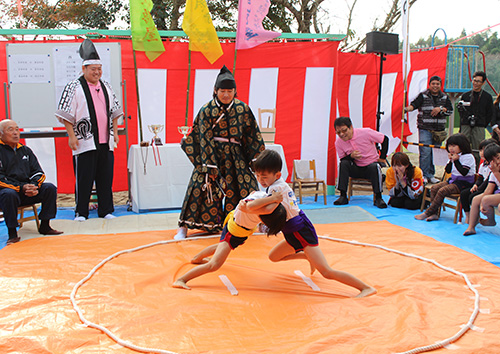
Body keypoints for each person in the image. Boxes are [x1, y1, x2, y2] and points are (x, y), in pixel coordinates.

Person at [251, 149, 376, 298]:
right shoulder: (276, 185)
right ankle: (306, 256)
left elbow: (268, 209)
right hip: (292, 230)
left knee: (326, 272)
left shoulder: (276, 188)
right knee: (273, 257)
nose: (260, 180)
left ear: (277, 175)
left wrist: (250, 207)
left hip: (300, 230)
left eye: (264, 176)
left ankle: (366, 287)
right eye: (257, 175)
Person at [175, 65, 265, 240]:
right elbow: (203, 137)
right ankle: (183, 228)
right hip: (212, 154)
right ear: (215, 91)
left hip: (236, 155)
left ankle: (260, 223)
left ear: (235, 91)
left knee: (249, 188)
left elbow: (252, 135)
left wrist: (257, 161)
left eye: (229, 91)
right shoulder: (206, 110)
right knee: (199, 186)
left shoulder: (243, 109)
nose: (226, 94)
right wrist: (209, 165)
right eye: (222, 91)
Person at [55, 39, 123, 221]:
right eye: (93, 69)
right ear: (84, 69)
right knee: (84, 178)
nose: (97, 72)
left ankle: (106, 210)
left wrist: (115, 133)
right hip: (84, 140)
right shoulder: (73, 87)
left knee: (105, 177)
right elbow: (65, 114)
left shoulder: (106, 86)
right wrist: (71, 137)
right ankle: (81, 212)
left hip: (105, 139)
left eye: (99, 69)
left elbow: (115, 111)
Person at [172, 190, 287, 290]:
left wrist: (274, 199)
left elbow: (258, 199)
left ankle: (196, 258)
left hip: (238, 230)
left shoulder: (262, 197)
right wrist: (273, 198)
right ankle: (182, 279)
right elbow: (252, 207)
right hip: (233, 232)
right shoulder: (251, 207)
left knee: (222, 247)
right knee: (214, 265)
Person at [0, 120, 63, 245]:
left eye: (17, 129)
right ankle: (12, 233)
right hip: (10, 193)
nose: (15, 133)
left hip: (28, 191)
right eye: (10, 129)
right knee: (8, 194)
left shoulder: (25, 150)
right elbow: (1, 179)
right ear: (1, 134)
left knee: (49, 188)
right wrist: (21, 187)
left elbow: (38, 172)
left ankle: (45, 225)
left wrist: (33, 186)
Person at [415, 134, 476, 222]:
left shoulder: (468, 157)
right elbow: (448, 171)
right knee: (434, 188)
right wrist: (451, 161)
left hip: (464, 183)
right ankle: (434, 213)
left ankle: (428, 212)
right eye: (450, 145)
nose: (451, 148)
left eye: (454, 146)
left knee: (442, 191)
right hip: (453, 180)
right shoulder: (453, 155)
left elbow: (464, 172)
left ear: (462, 145)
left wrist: (456, 161)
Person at [404, 75, 453, 184]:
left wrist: (440, 109)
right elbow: (414, 105)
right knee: (425, 152)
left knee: (435, 153)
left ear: (440, 85)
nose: (435, 86)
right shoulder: (423, 96)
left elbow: (450, 111)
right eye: (433, 84)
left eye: (437, 84)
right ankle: (424, 175)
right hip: (425, 129)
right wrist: (406, 109)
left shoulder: (445, 97)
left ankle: (431, 174)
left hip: (439, 130)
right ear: (429, 85)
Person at [334, 116, 389, 209]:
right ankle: (343, 196)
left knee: (375, 167)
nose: (342, 134)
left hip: (370, 167)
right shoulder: (338, 142)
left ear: (351, 127)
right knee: (343, 165)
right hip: (355, 168)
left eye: (344, 130)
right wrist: (351, 156)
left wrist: (382, 157)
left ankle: (378, 198)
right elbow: (343, 159)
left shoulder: (366, 132)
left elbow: (385, 139)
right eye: (338, 132)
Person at [457, 71, 494, 165]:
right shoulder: (465, 95)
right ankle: (462, 168)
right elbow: (461, 111)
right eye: (474, 80)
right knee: (462, 147)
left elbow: (490, 113)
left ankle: (477, 171)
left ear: (483, 83)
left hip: (479, 126)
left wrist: (483, 123)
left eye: (478, 81)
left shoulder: (487, 97)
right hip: (466, 125)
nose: (476, 83)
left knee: (478, 150)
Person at [463, 143, 500, 236]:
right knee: (477, 199)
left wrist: (496, 172)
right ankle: (471, 227)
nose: (497, 162)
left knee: (490, 201)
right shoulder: (493, 173)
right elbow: (488, 191)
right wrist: (482, 204)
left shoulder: (495, 172)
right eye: (493, 160)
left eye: (498, 158)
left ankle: (490, 221)